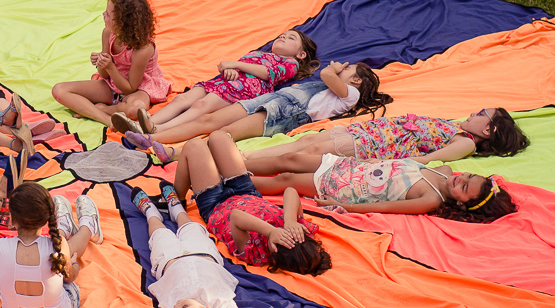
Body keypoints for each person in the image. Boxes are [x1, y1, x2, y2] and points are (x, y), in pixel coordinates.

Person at [124, 62, 390, 160]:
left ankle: (172, 152)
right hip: (272, 98)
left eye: (348, 69)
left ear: (355, 80)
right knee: (209, 119)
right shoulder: (335, 85)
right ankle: (154, 132)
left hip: (285, 112)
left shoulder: (350, 94)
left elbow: (327, 74)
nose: (341, 67)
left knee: (224, 133)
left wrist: (334, 68)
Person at [129, 183, 249, 308]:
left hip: (168, 258)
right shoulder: (220, 305)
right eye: (184, 307)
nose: (176, 306)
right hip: (202, 252)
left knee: (158, 232)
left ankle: (151, 212)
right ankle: (176, 207)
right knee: (189, 226)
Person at [171, 134, 331, 274]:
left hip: (215, 203)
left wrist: (271, 232)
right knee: (219, 137)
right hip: (246, 191)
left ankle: (176, 199)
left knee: (194, 146)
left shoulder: (255, 253)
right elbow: (290, 190)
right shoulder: (296, 231)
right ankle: (213, 169)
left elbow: (236, 216)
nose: (284, 234)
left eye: (281, 238)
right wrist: (290, 220)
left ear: (274, 251)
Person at [112, 29, 318, 136]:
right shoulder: (257, 53)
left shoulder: (290, 63)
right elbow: (239, 66)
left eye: (290, 38)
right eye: (282, 35)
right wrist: (229, 68)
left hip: (243, 90)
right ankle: (148, 122)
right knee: (183, 99)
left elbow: (266, 73)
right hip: (223, 82)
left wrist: (235, 64)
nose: (283, 37)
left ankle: (158, 130)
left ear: (301, 54)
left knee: (201, 106)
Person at [249, 151, 517, 222]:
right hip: (351, 166)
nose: (462, 179)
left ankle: (233, 178)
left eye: (464, 188)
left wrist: (345, 206)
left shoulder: (430, 198)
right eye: (468, 176)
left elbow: (387, 206)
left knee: (285, 180)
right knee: (290, 160)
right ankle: (237, 160)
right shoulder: (443, 171)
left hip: (345, 185)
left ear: (460, 204)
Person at [241, 108, 529, 169]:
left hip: (373, 146)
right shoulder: (457, 127)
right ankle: (248, 157)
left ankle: (248, 163)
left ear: (488, 130)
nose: (473, 113)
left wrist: (386, 162)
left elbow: (429, 158)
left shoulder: (465, 141)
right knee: (307, 142)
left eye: (481, 114)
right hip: (369, 132)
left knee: (313, 148)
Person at [51, 0, 171, 127]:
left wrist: (110, 66)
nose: (103, 14)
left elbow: (130, 88)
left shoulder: (143, 48)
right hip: (112, 85)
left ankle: (103, 109)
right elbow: (104, 75)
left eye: (108, 14)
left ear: (122, 24)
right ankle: (107, 119)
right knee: (59, 90)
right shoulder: (108, 33)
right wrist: (101, 63)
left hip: (139, 88)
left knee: (136, 110)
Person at [0, 182, 102, 308]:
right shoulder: (56, 246)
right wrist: (74, 264)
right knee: (62, 252)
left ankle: (64, 227)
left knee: (58, 251)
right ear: (46, 219)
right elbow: (69, 278)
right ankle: (88, 227)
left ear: (12, 219)